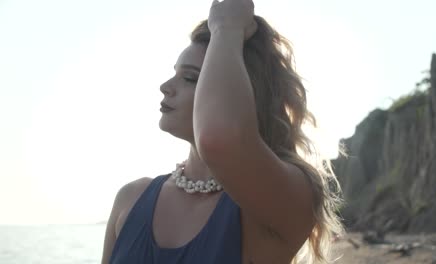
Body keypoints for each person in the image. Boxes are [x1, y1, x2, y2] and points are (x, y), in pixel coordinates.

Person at [101, 0, 342, 263]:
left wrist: (226, 28)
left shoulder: (284, 195)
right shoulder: (131, 198)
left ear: (248, 94)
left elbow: (220, 138)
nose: (165, 86)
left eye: (191, 78)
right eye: (175, 74)